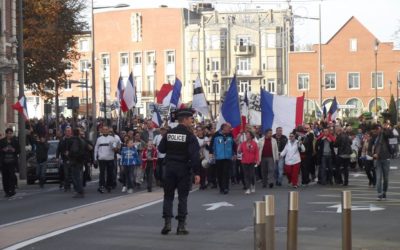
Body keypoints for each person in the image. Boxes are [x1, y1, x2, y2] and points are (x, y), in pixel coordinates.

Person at [158, 108, 200, 235]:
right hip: (183, 169)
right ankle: (181, 225)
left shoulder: (169, 133)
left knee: (168, 196)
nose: (192, 122)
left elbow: (161, 149)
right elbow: (194, 156)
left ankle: (167, 223)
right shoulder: (190, 136)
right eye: (191, 119)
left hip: (169, 168)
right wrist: (197, 173)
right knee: (182, 197)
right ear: (185, 120)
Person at [209, 123, 236, 194]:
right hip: (219, 157)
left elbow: (234, 145)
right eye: (229, 127)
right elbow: (211, 144)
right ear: (224, 128)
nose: (230, 129)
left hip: (228, 157)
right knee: (220, 173)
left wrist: (234, 154)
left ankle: (226, 188)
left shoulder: (230, 135)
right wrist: (211, 153)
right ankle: (221, 187)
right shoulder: (216, 135)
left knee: (226, 173)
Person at [372, 123, 393, 200]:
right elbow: (370, 147)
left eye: (376, 131)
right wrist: (373, 154)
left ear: (378, 129)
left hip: (386, 158)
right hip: (378, 160)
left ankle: (384, 192)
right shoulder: (374, 137)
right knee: (378, 178)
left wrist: (385, 129)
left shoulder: (384, 134)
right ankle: (379, 194)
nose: (375, 133)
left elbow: (390, 135)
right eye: (374, 131)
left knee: (386, 178)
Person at [94, 126, 117, 193]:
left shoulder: (112, 139)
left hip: (110, 158)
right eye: (104, 129)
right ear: (102, 131)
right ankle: (101, 185)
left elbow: (115, 148)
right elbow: (96, 149)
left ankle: (109, 185)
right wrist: (95, 158)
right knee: (102, 173)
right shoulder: (99, 139)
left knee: (110, 173)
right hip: (102, 158)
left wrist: (114, 148)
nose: (105, 131)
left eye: (106, 129)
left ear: (108, 131)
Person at [0, 128, 20, 198]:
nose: (9, 135)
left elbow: (18, 150)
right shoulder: (2, 141)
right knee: (5, 177)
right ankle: (6, 191)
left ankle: (12, 190)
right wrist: (3, 150)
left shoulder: (15, 141)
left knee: (11, 176)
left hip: (12, 162)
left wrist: (14, 150)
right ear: (6, 134)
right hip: (4, 162)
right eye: (8, 133)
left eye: (11, 133)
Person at [69, 128, 87, 198]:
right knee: (78, 176)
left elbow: (74, 150)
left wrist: (70, 154)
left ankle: (79, 191)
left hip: (75, 161)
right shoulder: (81, 140)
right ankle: (80, 190)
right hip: (80, 160)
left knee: (76, 177)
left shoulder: (75, 140)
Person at [57, 126, 73, 191]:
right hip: (65, 159)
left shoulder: (73, 139)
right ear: (65, 132)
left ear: (71, 132)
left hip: (72, 159)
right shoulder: (62, 140)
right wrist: (57, 157)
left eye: (69, 131)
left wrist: (70, 152)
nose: (68, 132)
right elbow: (58, 149)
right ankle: (67, 186)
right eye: (67, 131)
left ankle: (75, 186)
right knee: (66, 174)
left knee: (72, 174)